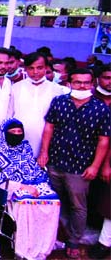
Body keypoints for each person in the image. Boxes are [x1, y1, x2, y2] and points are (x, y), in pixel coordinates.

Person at [38, 69, 110, 259]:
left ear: (92, 83)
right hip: (54, 162)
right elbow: (49, 127)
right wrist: (43, 153)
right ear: (69, 83)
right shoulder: (59, 102)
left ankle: (74, 239)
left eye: (86, 83)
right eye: (77, 82)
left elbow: (104, 140)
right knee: (53, 202)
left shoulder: (100, 108)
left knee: (78, 206)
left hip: (81, 168)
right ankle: (51, 236)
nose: (82, 86)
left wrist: (95, 166)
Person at [0, 119, 60, 260]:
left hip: (31, 180)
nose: (17, 134)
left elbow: (32, 168)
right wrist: (23, 186)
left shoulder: (25, 147)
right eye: (12, 132)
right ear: (4, 133)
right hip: (8, 185)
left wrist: (37, 184)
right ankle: (24, 247)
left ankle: (43, 244)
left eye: (19, 132)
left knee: (53, 198)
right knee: (26, 201)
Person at [9, 52, 64, 157]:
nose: (35, 72)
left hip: (44, 144)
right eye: (31, 68)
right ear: (25, 69)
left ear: (46, 68)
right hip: (18, 140)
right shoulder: (16, 87)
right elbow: (9, 115)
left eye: (39, 68)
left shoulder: (56, 90)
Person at [89, 65, 111, 259]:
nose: (110, 82)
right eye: (106, 77)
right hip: (85, 155)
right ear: (98, 79)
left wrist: (106, 164)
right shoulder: (88, 97)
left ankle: (103, 241)